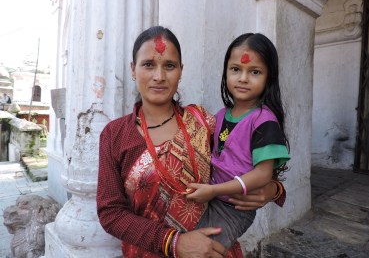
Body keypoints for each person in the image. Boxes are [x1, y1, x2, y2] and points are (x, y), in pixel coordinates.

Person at [96, 26, 286, 258]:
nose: (159, 76)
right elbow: (110, 213)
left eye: (169, 66)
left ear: (181, 71)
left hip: (213, 249)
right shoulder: (115, 135)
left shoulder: (202, 122)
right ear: (133, 69)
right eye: (148, 65)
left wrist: (272, 189)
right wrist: (174, 242)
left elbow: (247, 161)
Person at [186, 33, 290, 249]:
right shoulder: (221, 115)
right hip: (212, 199)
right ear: (225, 72)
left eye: (255, 72)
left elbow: (263, 174)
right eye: (236, 69)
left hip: (234, 209)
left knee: (204, 250)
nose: (243, 78)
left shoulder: (263, 120)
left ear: (269, 78)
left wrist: (214, 190)